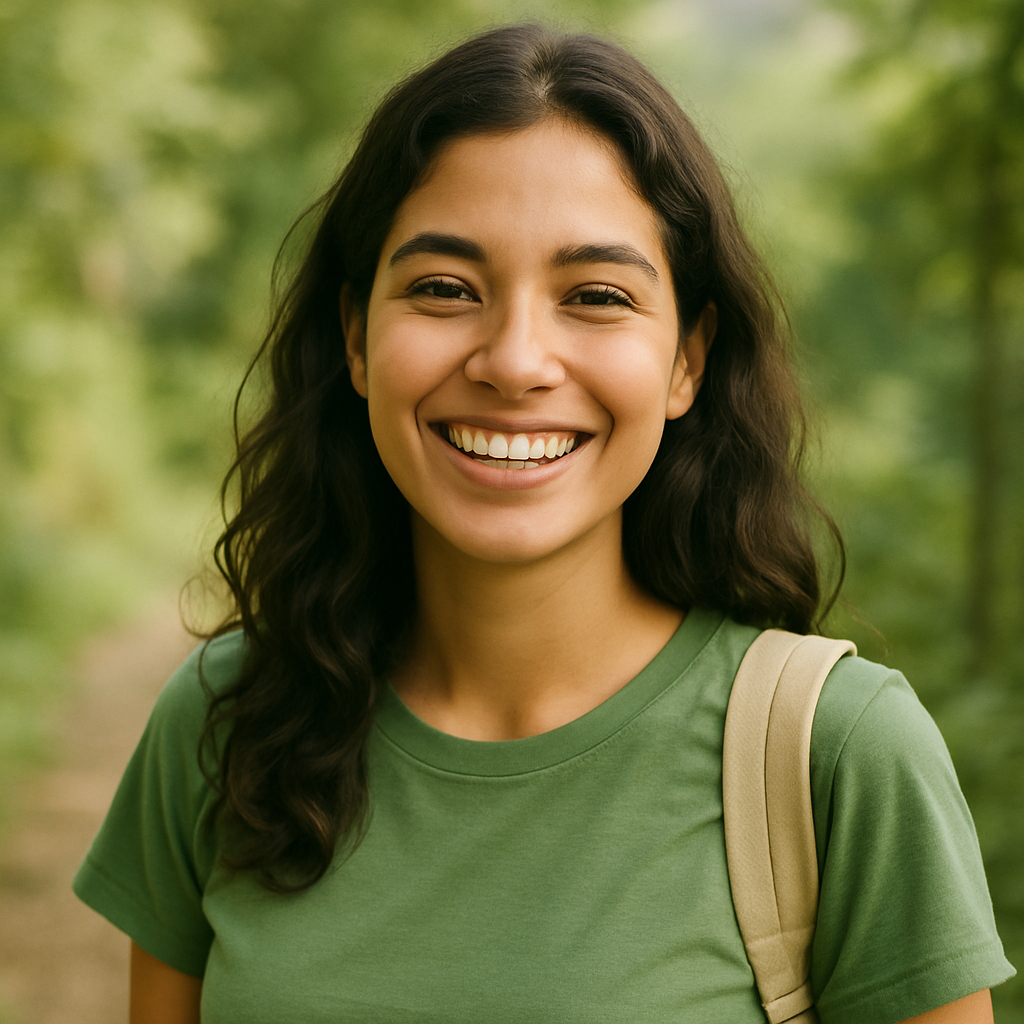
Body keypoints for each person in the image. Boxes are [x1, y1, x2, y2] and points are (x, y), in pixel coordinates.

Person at [73, 24, 1014, 1024]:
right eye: (444, 288)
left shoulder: (835, 755)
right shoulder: (230, 718)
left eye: (596, 296)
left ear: (687, 359)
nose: (515, 360)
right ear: (355, 336)